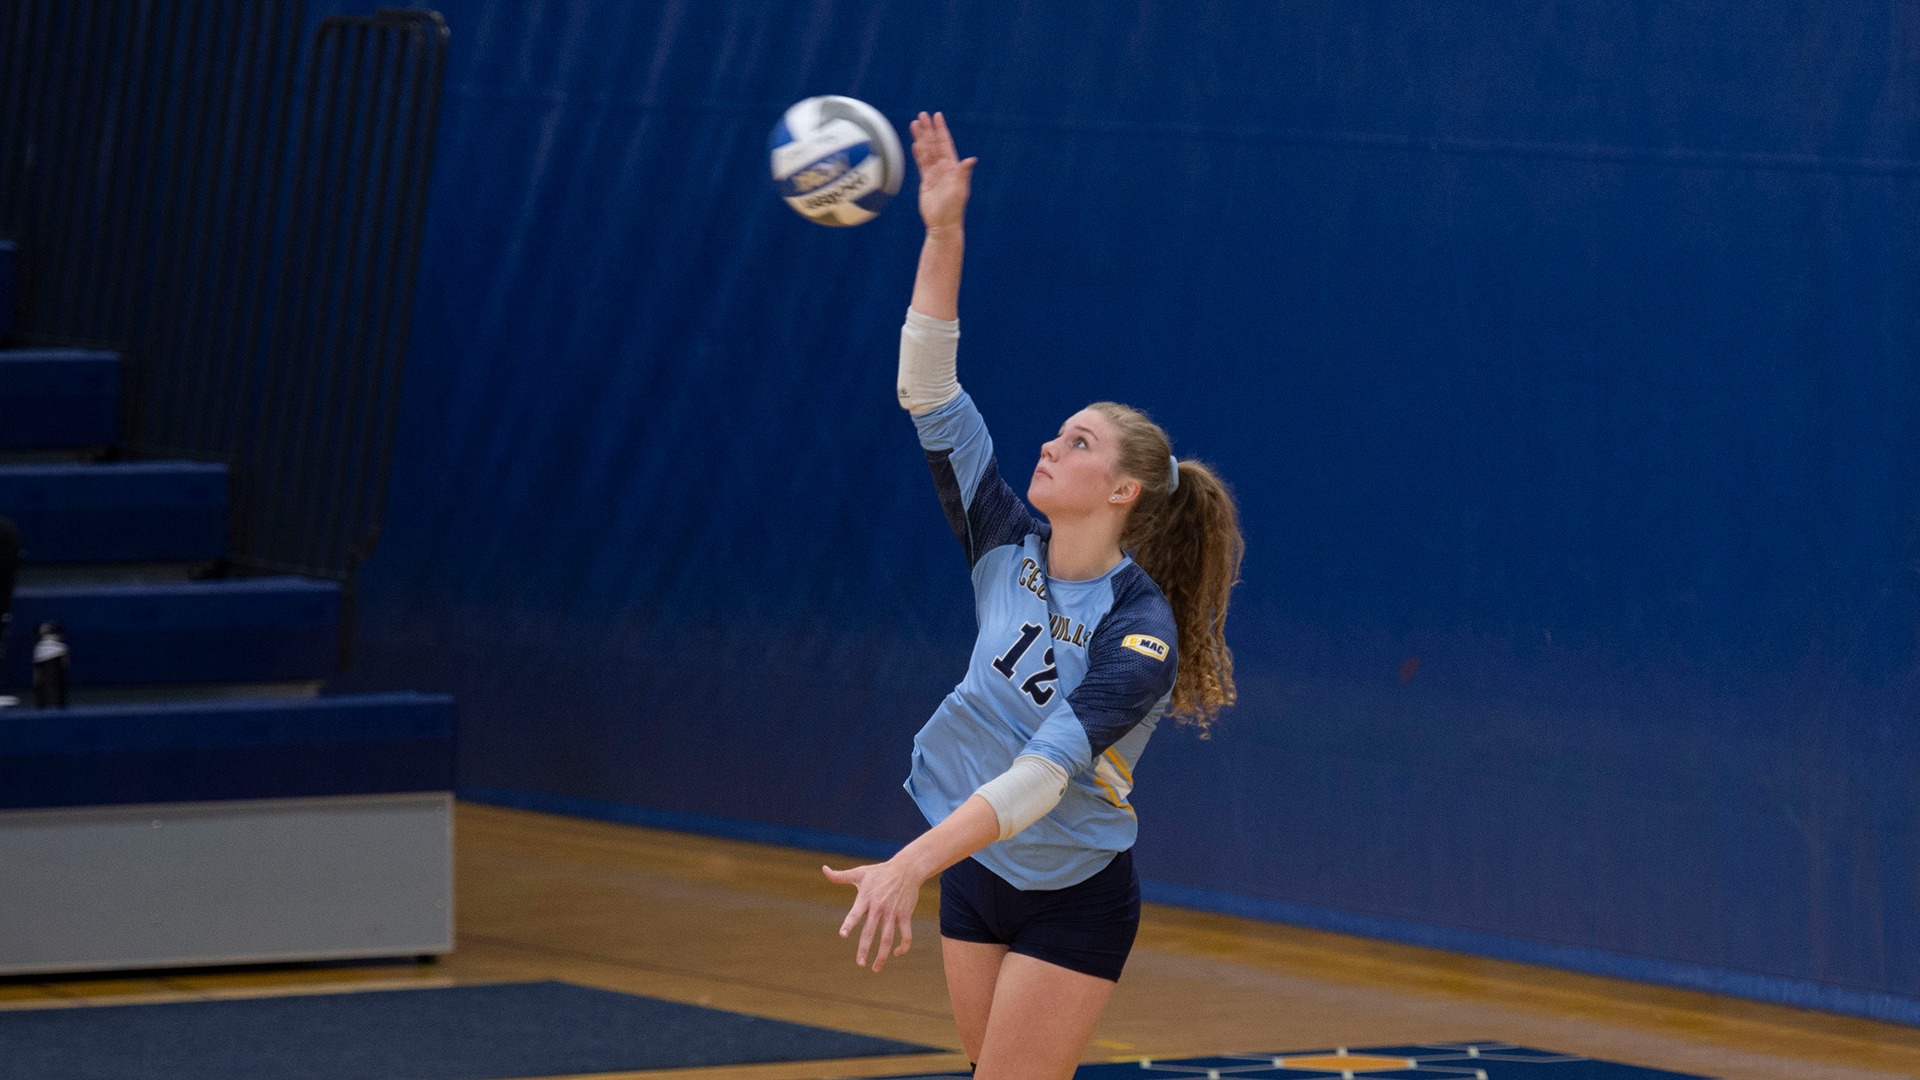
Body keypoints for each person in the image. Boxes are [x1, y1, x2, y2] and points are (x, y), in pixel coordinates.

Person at [822, 113, 1245, 1079]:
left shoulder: (1140, 632)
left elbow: (1043, 774)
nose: (1050, 445)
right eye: (1058, 432)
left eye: (1078, 443)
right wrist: (943, 231)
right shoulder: (1004, 539)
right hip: (977, 870)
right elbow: (929, 390)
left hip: (1071, 892)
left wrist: (910, 862)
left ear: (1123, 491)